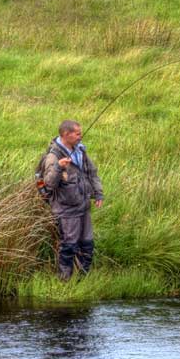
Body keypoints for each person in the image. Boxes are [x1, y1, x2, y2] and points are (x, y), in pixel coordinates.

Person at [42, 120, 104, 280]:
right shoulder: (52, 157)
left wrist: (98, 193)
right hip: (66, 210)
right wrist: (59, 167)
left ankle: (82, 279)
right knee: (69, 246)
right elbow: (49, 183)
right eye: (77, 133)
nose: (80, 136)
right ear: (66, 134)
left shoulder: (80, 151)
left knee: (88, 245)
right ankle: (64, 280)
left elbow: (92, 173)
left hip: (83, 207)